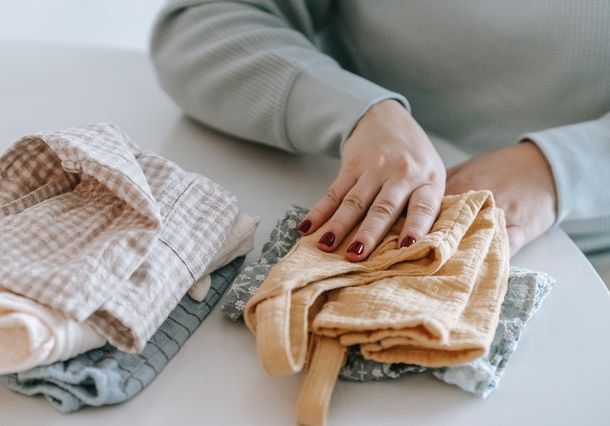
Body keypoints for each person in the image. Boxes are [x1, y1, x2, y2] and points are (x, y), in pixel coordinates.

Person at [150, 1, 610, 272]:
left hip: (586, 250)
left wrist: (560, 169)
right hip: (335, 177)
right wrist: (360, 111)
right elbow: (199, 20)